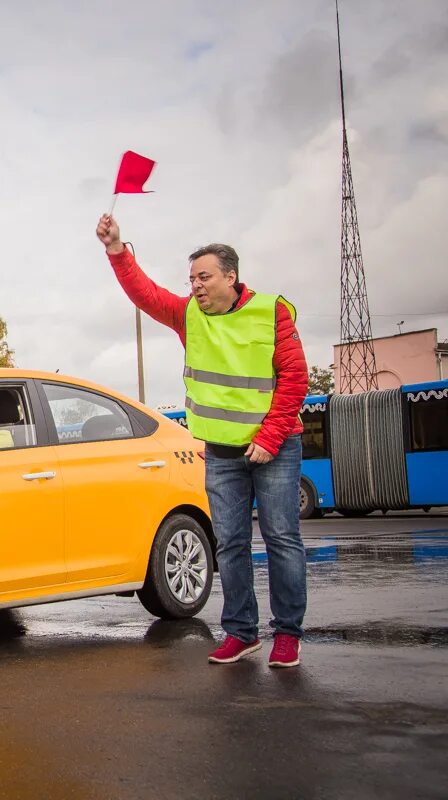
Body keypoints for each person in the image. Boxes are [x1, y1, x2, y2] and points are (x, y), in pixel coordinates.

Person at [95, 214, 309, 668]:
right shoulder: (188, 316)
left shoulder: (271, 312)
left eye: (204, 276)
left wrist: (269, 439)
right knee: (229, 544)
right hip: (222, 452)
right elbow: (145, 294)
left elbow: (294, 378)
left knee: (281, 540)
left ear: (231, 277)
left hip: (275, 448)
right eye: (191, 278)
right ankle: (241, 633)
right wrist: (116, 249)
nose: (195, 285)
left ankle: (287, 635)